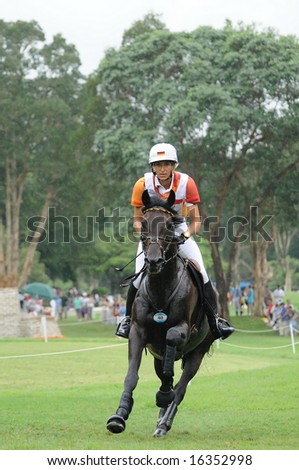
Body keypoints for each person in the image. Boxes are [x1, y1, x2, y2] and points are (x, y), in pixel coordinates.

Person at [116, 142, 234, 340]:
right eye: (158, 164)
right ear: (152, 166)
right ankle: (128, 320)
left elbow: (196, 221)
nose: (162, 169)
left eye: (167, 164)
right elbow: (137, 220)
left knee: (202, 273)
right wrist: (146, 233)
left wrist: (185, 236)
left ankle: (215, 321)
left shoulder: (187, 183)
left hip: (179, 230)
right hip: (152, 233)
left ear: (174, 166)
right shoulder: (142, 184)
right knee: (137, 277)